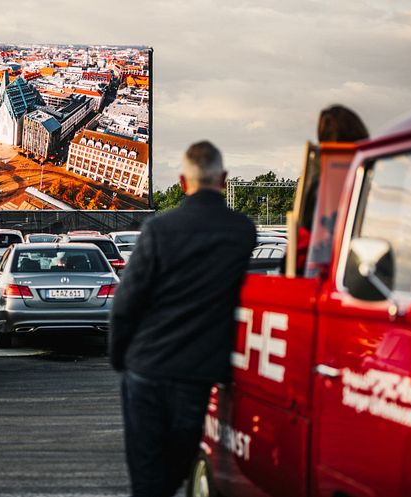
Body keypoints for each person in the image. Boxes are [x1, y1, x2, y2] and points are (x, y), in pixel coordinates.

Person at [109, 141, 256, 497]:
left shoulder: (159, 230)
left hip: (146, 368)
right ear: (223, 179)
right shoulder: (242, 232)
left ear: (182, 181)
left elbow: (126, 302)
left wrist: (119, 357)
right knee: (177, 471)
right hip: (197, 373)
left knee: (146, 480)